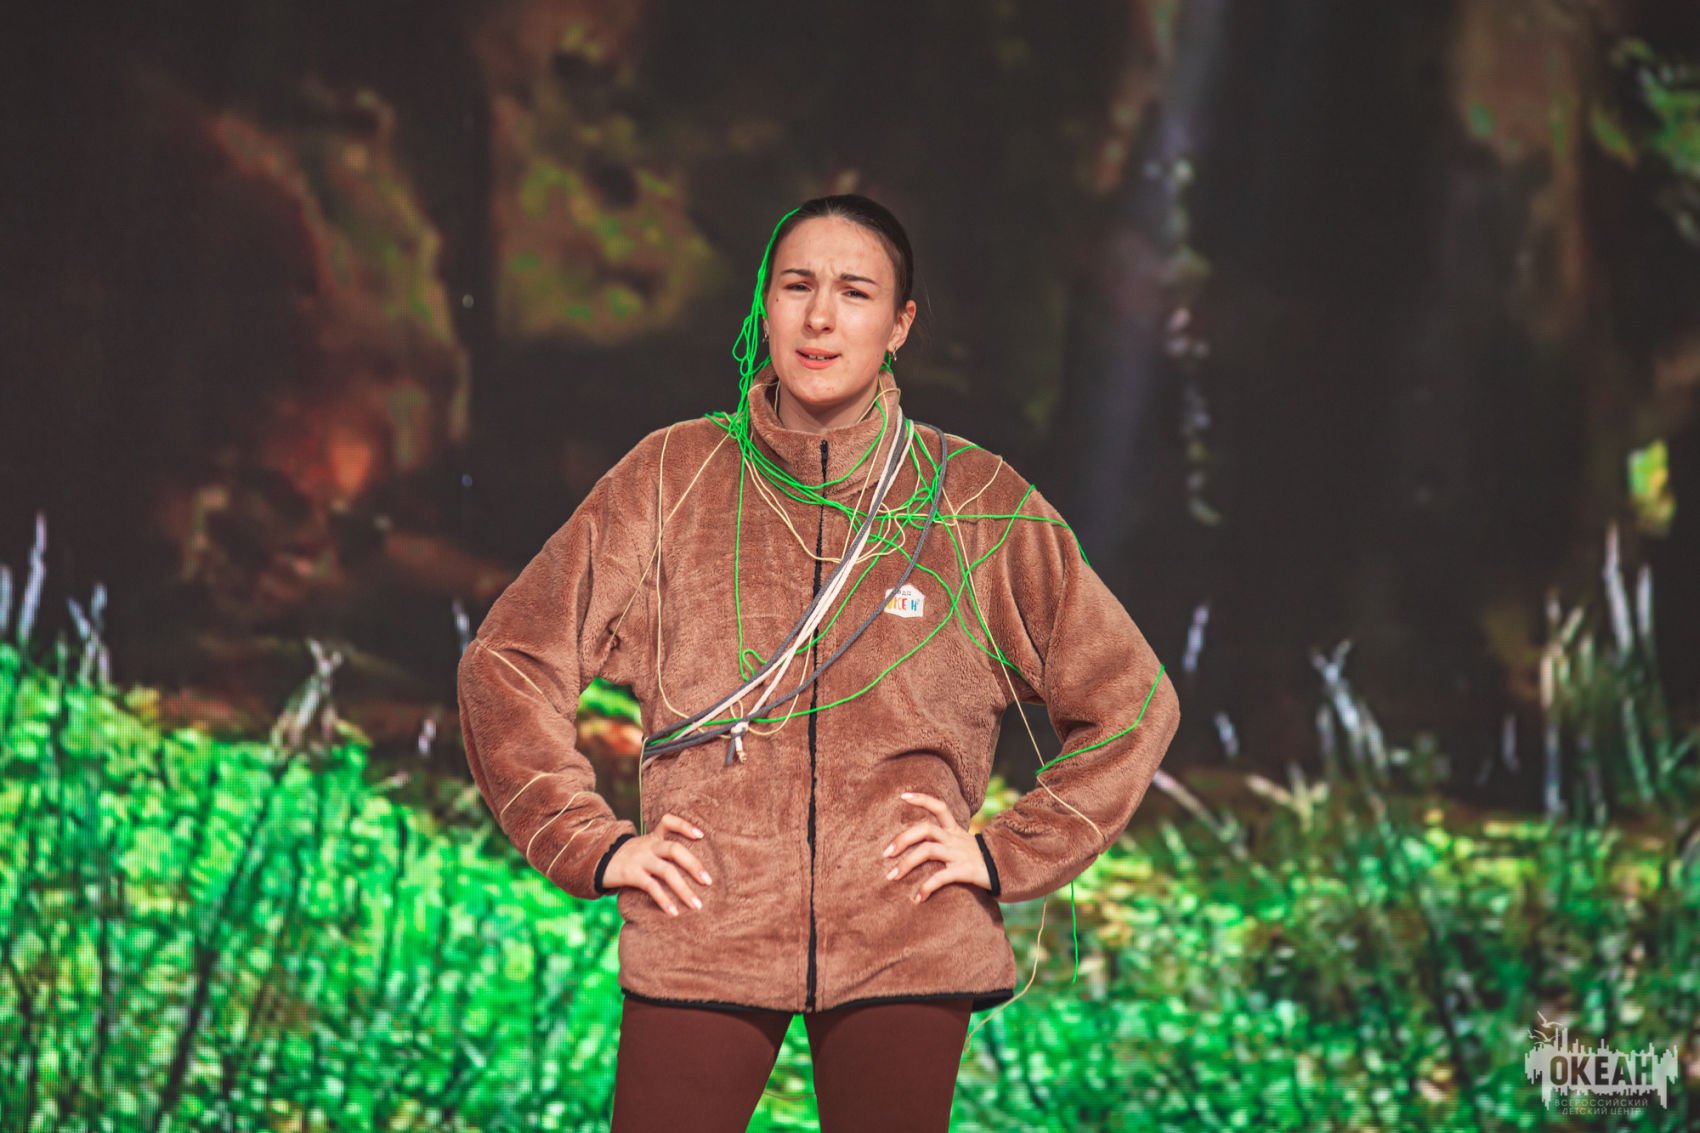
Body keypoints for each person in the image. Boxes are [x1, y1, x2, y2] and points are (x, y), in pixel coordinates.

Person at [456, 194, 1181, 1132]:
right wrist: (589, 842)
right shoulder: (671, 476)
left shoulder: (975, 500)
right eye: (797, 286)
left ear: (900, 324)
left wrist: (1004, 853)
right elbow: (509, 661)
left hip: (906, 932)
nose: (822, 317)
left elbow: (1132, 700)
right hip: (706, 920)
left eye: (855, 291)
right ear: (765, 306)